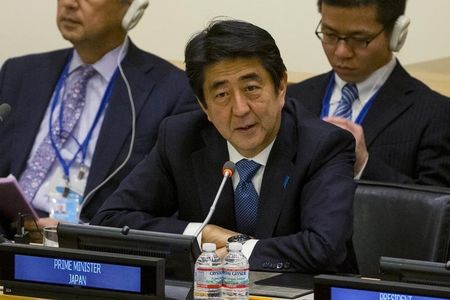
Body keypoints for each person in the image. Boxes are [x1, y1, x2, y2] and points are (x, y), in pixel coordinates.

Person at [91, 19, 358, 274]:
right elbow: (110, 220)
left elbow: (325, 247)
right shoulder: (180, 138)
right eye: (221, 95)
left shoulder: (323, 146)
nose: (240, 109)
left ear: (281, 87)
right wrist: (201, 233)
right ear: (203, 106)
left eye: (252, 88)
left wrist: (237, 248)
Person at [0, 0, 196, 237]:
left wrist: (81, 232)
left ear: (131, 9)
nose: (70, 4)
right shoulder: (20, 72)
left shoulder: (173, 91)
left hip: (88, 249)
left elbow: (169, 207)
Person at [287, 0, 450, 187]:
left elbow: (437, 209)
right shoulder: (292, 99)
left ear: (397, 34)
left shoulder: (436, 114)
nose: (341, 52)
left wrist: (363, 164)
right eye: (330, 35)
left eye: (358, 39)